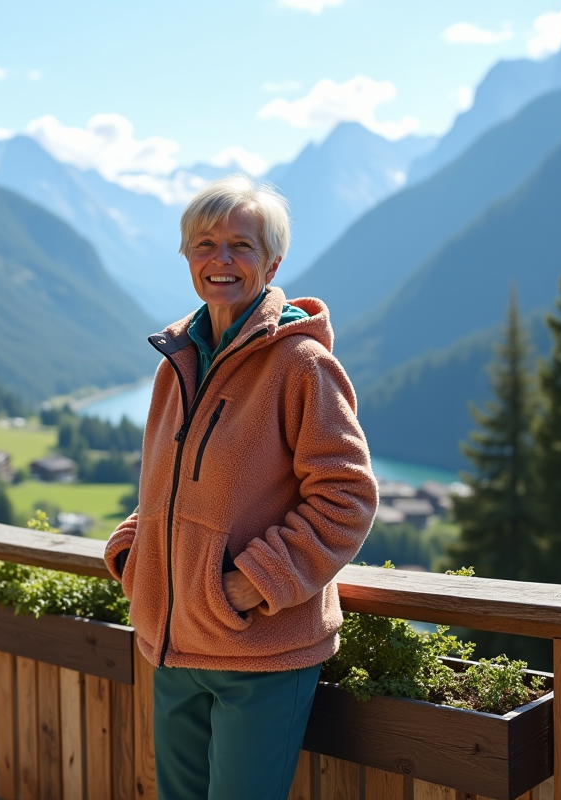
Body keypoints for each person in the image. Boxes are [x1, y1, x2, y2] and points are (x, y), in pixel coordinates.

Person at [104, 175, 378, 800]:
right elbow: (165, 488)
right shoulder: (176, 364)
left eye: (241, 245)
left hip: (260, 653)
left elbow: (347, 497)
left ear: (272, 261)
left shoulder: (302, 366)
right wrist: (135, 551)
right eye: (205, 243)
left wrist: (249, 585)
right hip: (173, 645)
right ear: (187, 258)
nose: (220, 260)